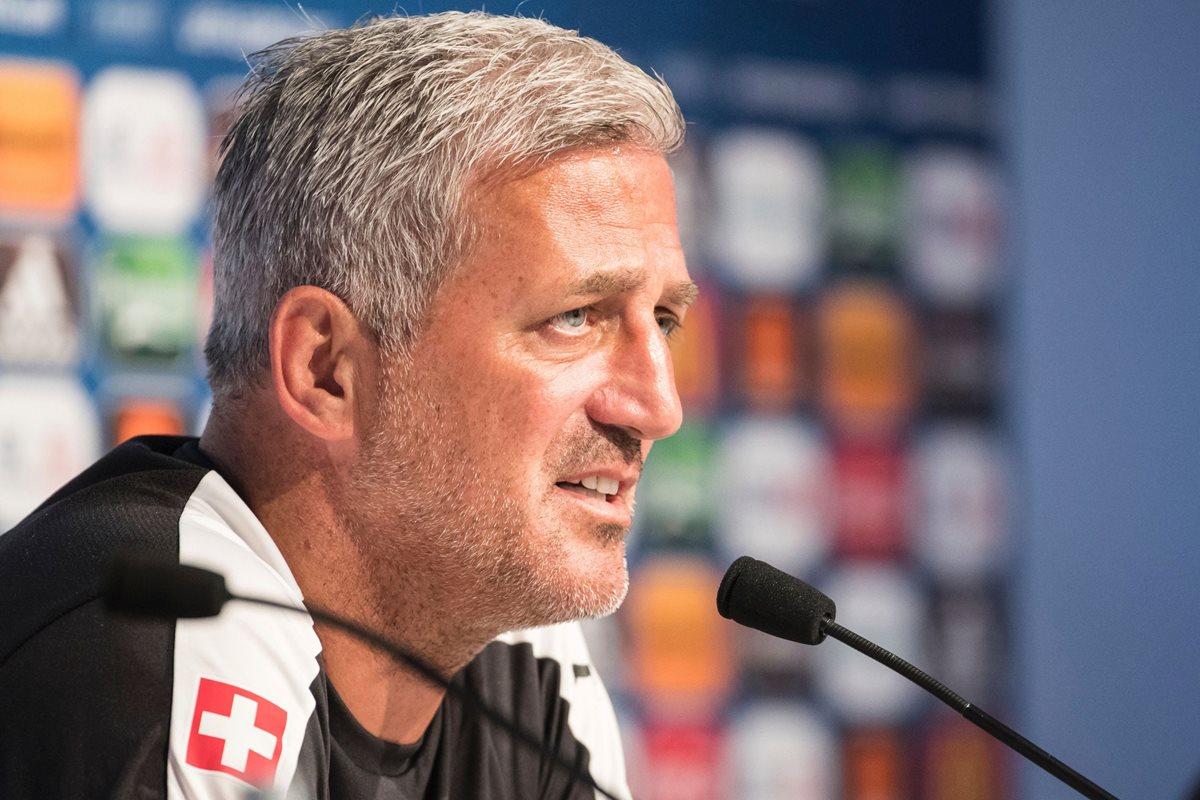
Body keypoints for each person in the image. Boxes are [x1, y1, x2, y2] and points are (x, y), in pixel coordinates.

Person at [0, 11, 696, 799]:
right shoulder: (156, 654)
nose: (657, 405)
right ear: (326, 368)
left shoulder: (522, 659)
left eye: (664, 321)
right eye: (574, 318)